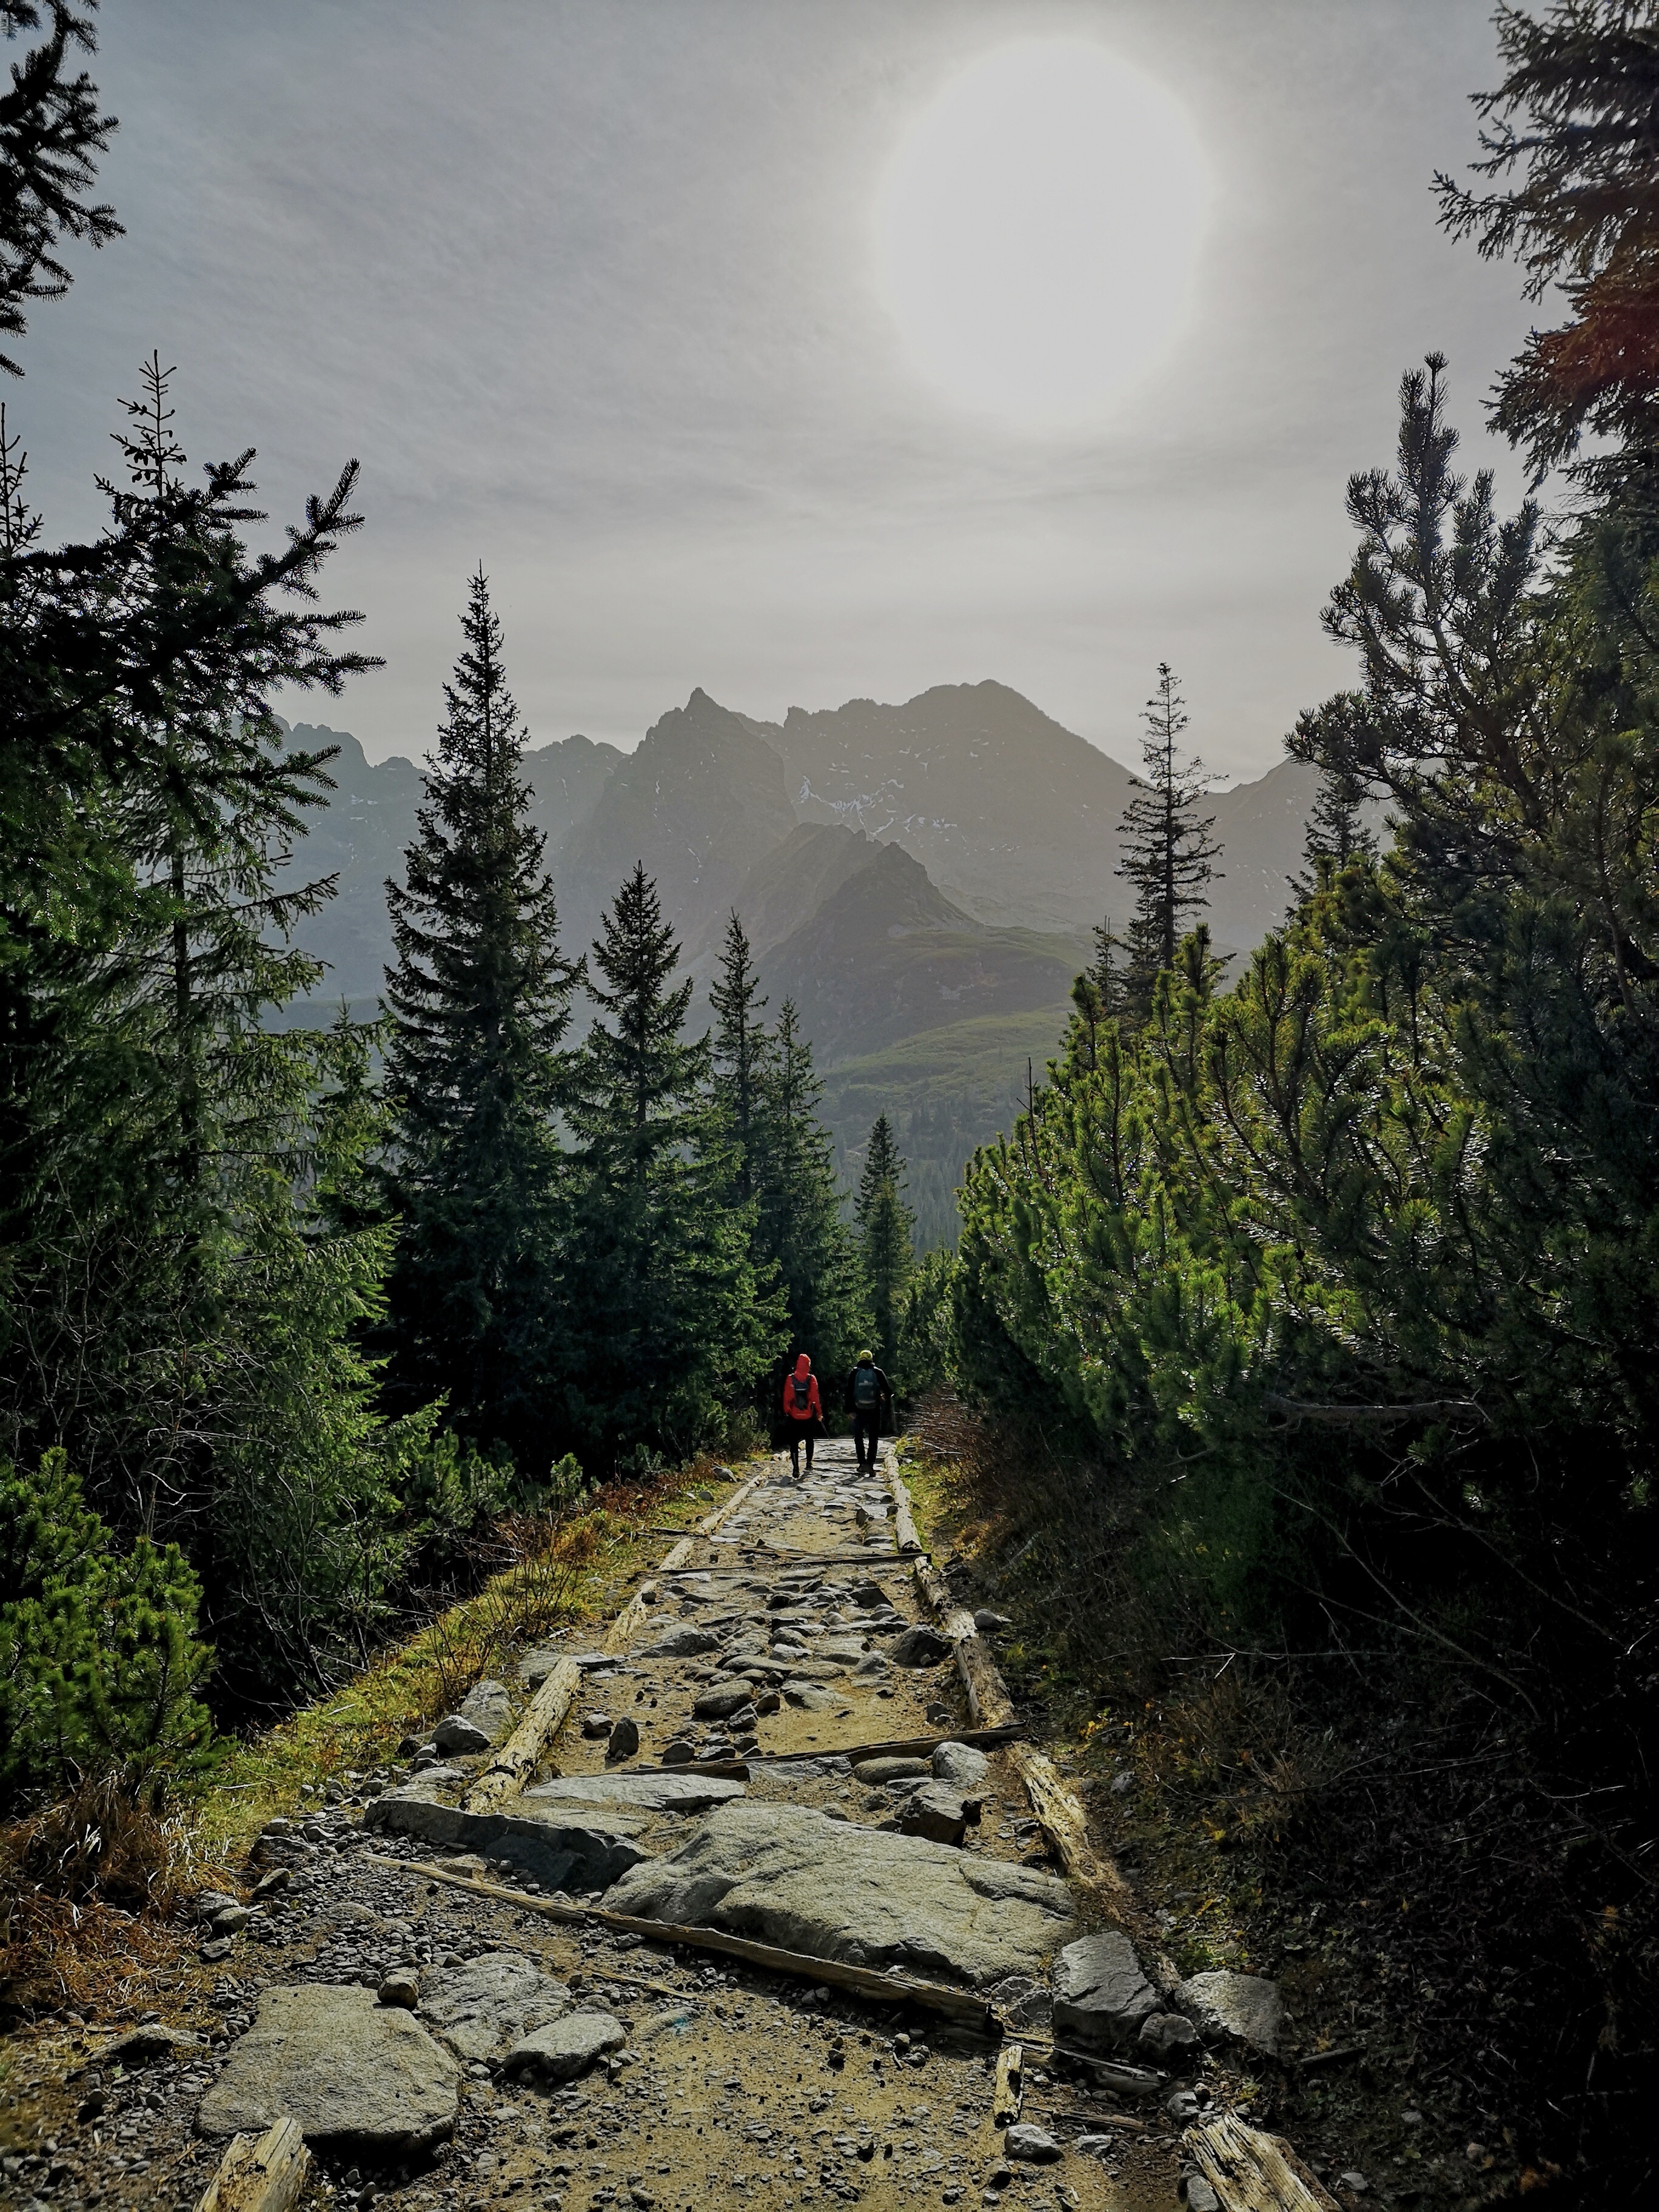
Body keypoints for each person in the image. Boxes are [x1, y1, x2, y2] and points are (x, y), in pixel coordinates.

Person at [845, 1347, 891, 1470]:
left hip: (858, 1409)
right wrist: (883, 1398)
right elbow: (888, 1391)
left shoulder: (855, 1372)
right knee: (873, 1437)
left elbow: (849, 1392)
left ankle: (862, 1463)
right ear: (871, 1359)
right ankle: (870, 1464)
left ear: (860, 1359)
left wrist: (849, 1410)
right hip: (874, 1409)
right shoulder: (878, 1372)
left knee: (858, 1436)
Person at [781, 1351, 822, 1476]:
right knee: (810, 1439)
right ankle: (809, 1463)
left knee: (793, 1442)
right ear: (808, 1365)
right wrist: (819, 1413)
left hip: (794, 1415)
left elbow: (787, 1397)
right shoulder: (811, 1379)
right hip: (808, 1414)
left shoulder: (790, 1378)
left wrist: (787, 1410)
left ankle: (796, 1468)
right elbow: (815, 1398)